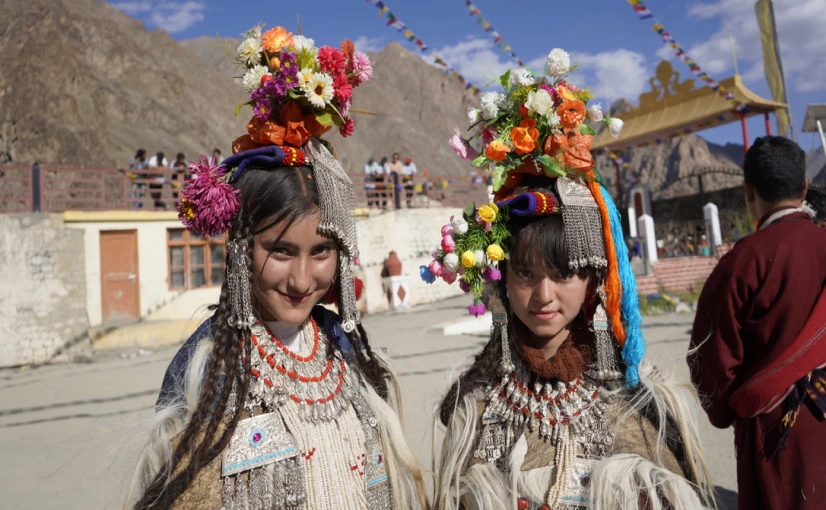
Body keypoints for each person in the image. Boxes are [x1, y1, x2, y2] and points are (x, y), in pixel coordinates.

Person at [126, 24, 426, 510]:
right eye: (281, 252)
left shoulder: (350, 351)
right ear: (241, 247)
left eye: (322, 252)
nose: (303, 281)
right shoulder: (205, 368)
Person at [427, 55, 715, 510]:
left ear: (595, 277)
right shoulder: (473, 407)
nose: (543, 296)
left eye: (564, 274)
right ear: (501, 279)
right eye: (525, 273)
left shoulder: (640, 401)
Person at [689, 136, 826, 510]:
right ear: (803, 187)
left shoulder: (742, 263)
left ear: (748, 191)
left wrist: (727, 410)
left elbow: (709, 355)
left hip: (777, 428)